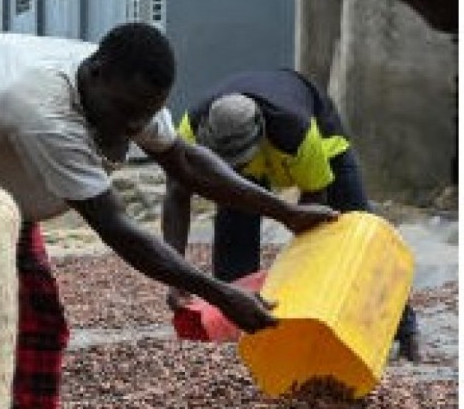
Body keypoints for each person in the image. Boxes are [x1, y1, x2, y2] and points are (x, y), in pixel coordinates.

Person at [0, 25, 337, 409]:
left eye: (144, 118)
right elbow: (116, 229)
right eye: (127, 116)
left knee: (41, 318)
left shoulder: (125, 92)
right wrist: (219, 292)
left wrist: (286, 212)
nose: (132, 130)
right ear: (94, 73)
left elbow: (186, 164)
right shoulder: (43, 111)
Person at [162, 69, 421, 361]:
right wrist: (175, 278)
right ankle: (239, 337)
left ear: (261, 136)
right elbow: (176, 197)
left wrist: (297, 280)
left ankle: (406, 330)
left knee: (362, 236)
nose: (235, 169)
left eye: (240, 160)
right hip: (248, 152)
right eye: (227, 163)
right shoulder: (190, 130)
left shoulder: (295, 133)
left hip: (325, 147)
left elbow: (313, 206)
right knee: (233, 242)